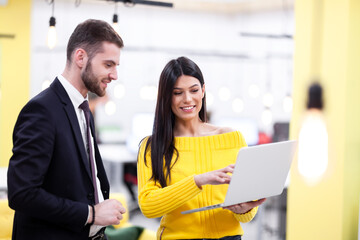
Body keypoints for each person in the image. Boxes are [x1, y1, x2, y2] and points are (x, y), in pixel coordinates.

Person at [7, 19, 126, 240]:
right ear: (80, 57)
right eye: (108, 65)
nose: (114, 75)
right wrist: (91, 214)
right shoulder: (42, 110)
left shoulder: (83, 109)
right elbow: (22, 194)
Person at [137, 56, 266, 240]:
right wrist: (197, 181)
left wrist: (244, 209)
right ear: (167, 97)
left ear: (203, 91)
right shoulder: (152, 146)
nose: (187, 99)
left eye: (194, 90)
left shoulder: (232, 138)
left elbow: (247, 214)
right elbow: (148, 206)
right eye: (177, 92)